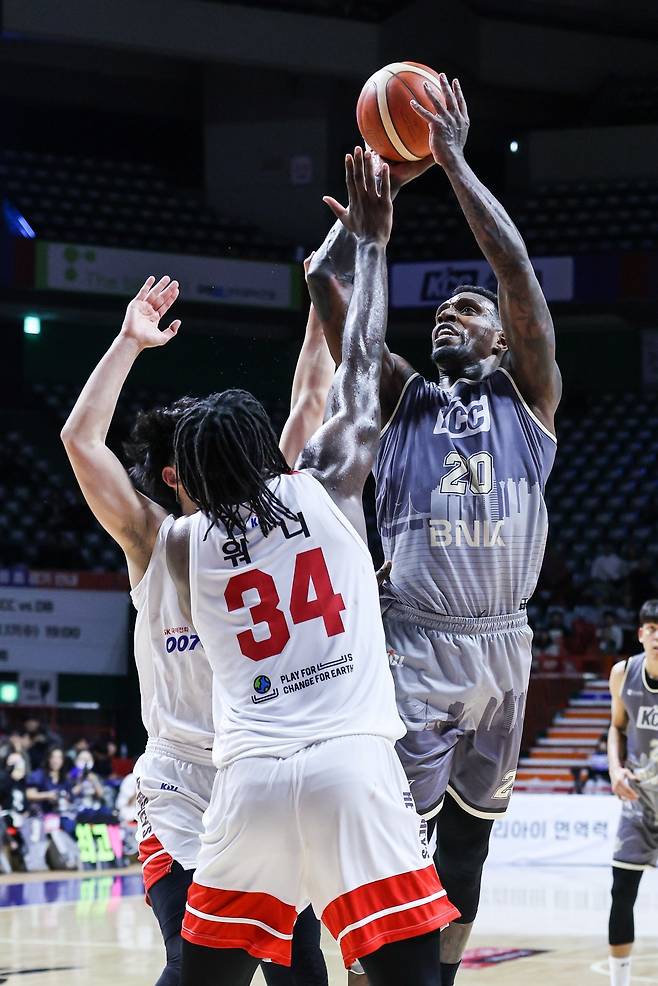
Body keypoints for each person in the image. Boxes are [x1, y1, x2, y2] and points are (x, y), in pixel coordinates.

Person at [167, 147, 458, 986]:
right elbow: (359, 369)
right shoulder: (324, 486)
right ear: (269, 450)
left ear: (188, 475)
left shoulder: (186, 547)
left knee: (207, 978)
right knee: (411, 976)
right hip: (353, 768)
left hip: (249, 780)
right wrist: (369, 246)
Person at [308, 75, 560, 985]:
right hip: (413, 642)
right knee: (395, 855)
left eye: (471, 310)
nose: (453, 314)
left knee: (469, 860)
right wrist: (368, 217)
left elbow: (518, 273)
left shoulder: (531, 398)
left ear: (503, 338)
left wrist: (449, 156)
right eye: (443, 309)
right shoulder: (402, 397)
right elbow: (325, 288)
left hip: (505, 648)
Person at [61, 261, 335, 986]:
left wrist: (321, 304)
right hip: (182, 782)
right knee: (195, 963)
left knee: (300, 961)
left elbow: (310, 398)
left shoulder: (276, 522)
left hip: (268, 773)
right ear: (176, 474)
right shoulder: (153, 538)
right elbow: (82, 442)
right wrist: (127, 341)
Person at [606, 599, 658, 986]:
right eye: (651, 629)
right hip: (637, 799)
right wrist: (614, 768)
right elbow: (616, 727)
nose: (657, 637)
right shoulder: (623, 673)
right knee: (622, 891)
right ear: (641, 634)